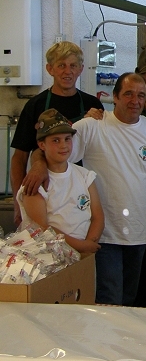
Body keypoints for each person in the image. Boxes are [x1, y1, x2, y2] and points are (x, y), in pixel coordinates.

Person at [23, 72, 146, 306]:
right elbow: (52, 144)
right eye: (128, 94)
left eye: (141, 95)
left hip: (140, 232)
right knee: (109, 300)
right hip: (104, 234)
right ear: (115, 97)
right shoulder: (92, 126)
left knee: (129, 300)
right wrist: (37, 165)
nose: (135, 100)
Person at [10, 41, 103, 226]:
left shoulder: (93, 105)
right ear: (49, 69)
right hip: (45, 194)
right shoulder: (35, 105)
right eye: (61, 65)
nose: (67, 71)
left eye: (73, 66)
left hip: (82, 192)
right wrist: (17, 201)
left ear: (81, 69)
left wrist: (94, 121)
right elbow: (19, 158)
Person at [17, 109, 104, 254]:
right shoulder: (35, 183)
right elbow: (42, 228)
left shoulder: (85, 175)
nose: (63, 145)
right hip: (49, 258)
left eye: (67, 139)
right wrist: (80, 246)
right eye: (56, 140)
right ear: (42, 145)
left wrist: (90, 243)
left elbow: (98, 216)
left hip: (84, 255)